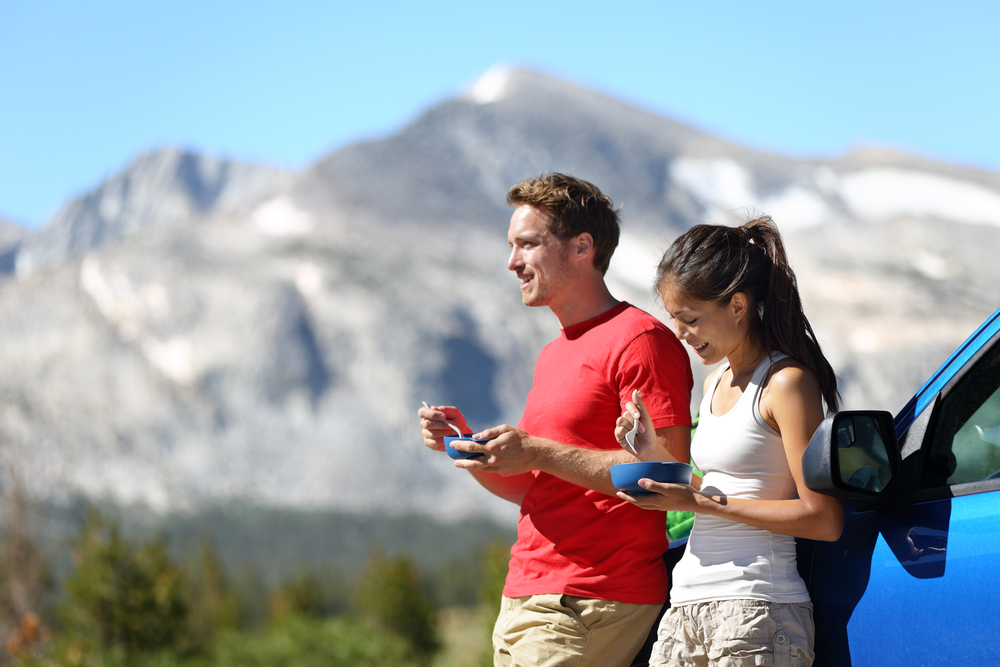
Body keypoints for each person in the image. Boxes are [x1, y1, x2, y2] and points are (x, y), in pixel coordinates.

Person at [419, 173, 693, 667]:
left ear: (581, 246)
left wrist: (538, 451)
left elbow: (669, 475)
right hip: (527, 596)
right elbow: (540, 488)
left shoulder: (641, 341)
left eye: (528, 244)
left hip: (587, 600)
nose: (512, 262)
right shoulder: (553, 354)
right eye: (511, 246)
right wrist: (468, 448)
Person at [615, 216, 845, 667]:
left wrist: (700, 504)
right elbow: (724, 485)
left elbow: (823, 518)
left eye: (691, 319)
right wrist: (653, 455)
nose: (680, 334)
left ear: (738, 305)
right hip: (686, 609)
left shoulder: (786, 382)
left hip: (759, 611)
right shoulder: (715, 382)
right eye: (675, 320)